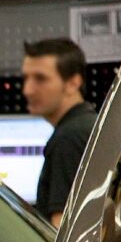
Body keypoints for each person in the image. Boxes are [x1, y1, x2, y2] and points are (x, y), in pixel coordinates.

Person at [22, 38, 98, 228]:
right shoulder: (91, 125)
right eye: (26, 78)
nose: (28, 90)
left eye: (40, 79)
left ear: (73, 83)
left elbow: (62, 230)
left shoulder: (69, 138)